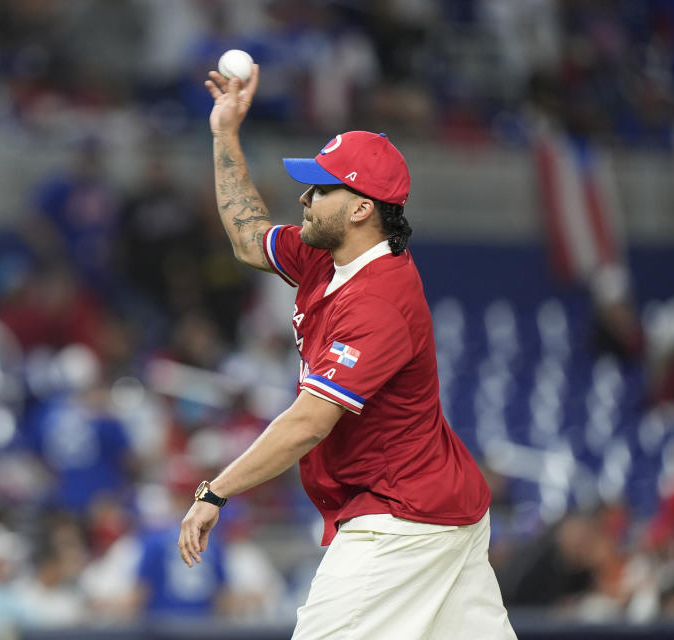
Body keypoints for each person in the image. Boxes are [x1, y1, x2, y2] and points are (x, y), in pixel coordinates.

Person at [178, 65, 517, 639]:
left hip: (400, 521)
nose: (305, 198)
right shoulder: (327, 255)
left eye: (322, 188)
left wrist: (217, 490)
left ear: (362, 208)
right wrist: (225, 133)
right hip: (436, 509)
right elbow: (246, 235)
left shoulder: (378, 302)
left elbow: (310, 422)